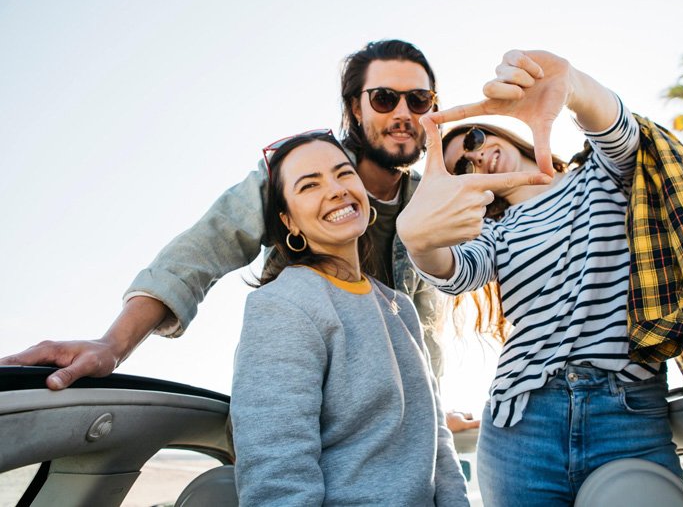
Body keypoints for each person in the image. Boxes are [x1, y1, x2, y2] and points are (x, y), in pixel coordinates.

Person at [0, 39, 540, 429]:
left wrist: (429, 410)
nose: (403, 114)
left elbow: (429, 328)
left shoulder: (432, 201)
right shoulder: (299, 180)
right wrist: (113, 345)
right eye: (384, 99)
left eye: (418, 102)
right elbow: (201, 250)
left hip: (393, 434)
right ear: (356, 107)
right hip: (303, 415)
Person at [395, 50, 683, 505]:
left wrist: (575, 86)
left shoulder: (600, 176)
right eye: (461, 168)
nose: (476, 156)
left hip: (626, 408)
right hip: (521, 421)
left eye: (472, 138)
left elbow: (625, 138)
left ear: (496, 130)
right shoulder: (494, 233)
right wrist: (419, 242)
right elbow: (454, 271)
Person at [230, 129, 468, 505]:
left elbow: (436, 441)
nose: (336, 189)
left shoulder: (400, 307)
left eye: (343, 173)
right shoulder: (282, 304)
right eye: (309, 185)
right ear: (288, 221)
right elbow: (276, 471)